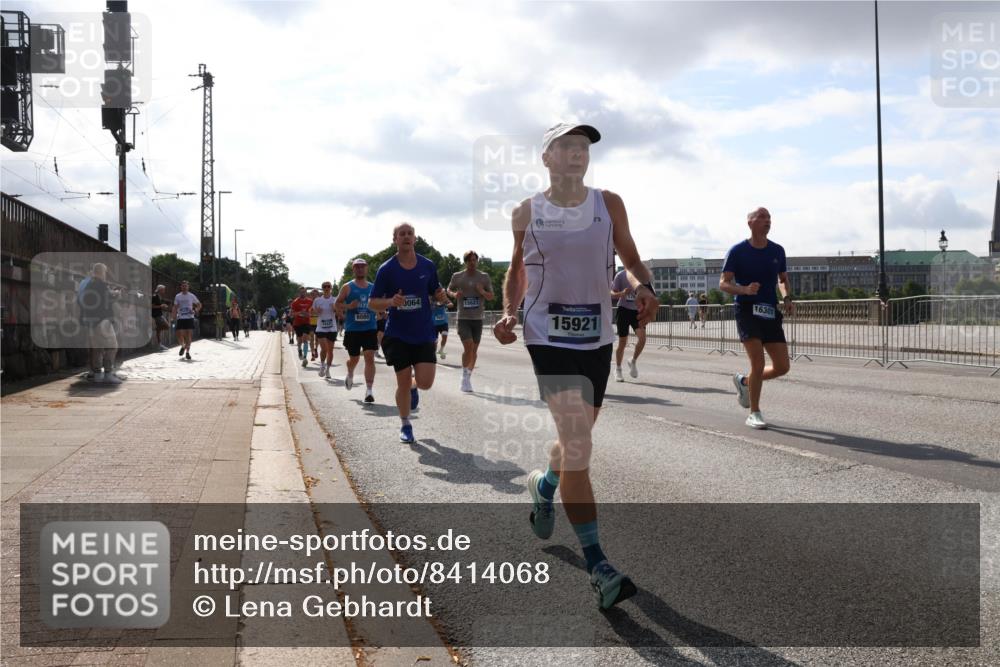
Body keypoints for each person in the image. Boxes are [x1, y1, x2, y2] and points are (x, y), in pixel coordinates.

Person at [493, 122, 657, 610]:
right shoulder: (528, 210)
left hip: (597, 336)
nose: (576, 153)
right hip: (546, 333)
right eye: (565, 146)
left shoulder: (609, 204)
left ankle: (543, 486)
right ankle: (599, 566)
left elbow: (628, 256)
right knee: (579, 444)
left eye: (582, 147)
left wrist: (644, 285)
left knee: (573, 442)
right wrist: (507, 311)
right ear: (546, 158)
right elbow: (517, 269)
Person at [369, 223, 448, 444]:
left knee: (425, 382)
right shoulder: (387, 269)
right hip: (398, 335)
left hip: (423, 332)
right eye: (401, 234)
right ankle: (405, 424)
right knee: (402, 382)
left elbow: (437, 292)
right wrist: (390, 301)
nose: (406, 237)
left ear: (415, 238)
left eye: (409, 233)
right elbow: (372, 303)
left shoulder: (427, 265)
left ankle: (415, 386)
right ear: (394, 239)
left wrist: (442, 296)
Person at [720, 206, 794, 430]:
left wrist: (787, 296)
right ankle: (754, 412)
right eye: (762, 217)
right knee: (758, 362)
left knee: (782, 367)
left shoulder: (777, 251)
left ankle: (745, 381)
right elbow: (724, 283)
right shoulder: (738, 251)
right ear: (750, 222)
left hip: (769, 311)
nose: (767, 220)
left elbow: (782, 279)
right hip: (746, 310)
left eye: (769, 217)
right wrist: (744, 290)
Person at [446, 250, 494, 392]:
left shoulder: (484, 277)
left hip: (477, 318)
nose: (472, 263)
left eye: (474, 260)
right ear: (465, 262)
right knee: (468, 346)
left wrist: (482, 292)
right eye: (469, 260)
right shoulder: (458, 276)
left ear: (477, 261)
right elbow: (448, 289)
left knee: (474, 350)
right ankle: (464, 378)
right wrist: (454, 294)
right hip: (463, 318)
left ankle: (468, 376)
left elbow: (491, 296)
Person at [336, 258, 378, 402]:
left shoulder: (373, 287)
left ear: (367, 269)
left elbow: (379, 303)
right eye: (357, 267)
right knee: (354, 359)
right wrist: (348, 307)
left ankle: (369, 390)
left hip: (370, 328)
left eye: (362, 266)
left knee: (369, 357)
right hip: (353, 329)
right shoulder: (347, 287)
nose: (360, 269)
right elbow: (337, 304)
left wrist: (380, 311)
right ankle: (350, 371)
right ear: (353, 270)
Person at [79, 263, 122, 384]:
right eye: (105, 272)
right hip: (103, 321)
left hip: (92, 321)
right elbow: (107, 300)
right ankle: (108, 373)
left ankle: (97, 374)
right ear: (101, 272)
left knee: (97, 348)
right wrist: (116, 294)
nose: (106, 274)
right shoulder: (101, 285)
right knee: (112, 347)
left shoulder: (89, 285)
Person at [610, 267, 647, 382]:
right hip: (624, 310)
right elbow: (612, 293)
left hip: (637, 311)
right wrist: (622, 293)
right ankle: (618, 369)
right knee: (622, 342)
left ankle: (633, 360)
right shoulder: (620, 275)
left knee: (642, 338)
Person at [311, 282, 339, 378]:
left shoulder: (335, 299)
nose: (326, 288)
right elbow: (312, 310)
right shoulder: (317, 300)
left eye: (328, 286)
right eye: (324, 287)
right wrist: (316, 311)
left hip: (332, 328)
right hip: (320, 327)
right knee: (324, 349)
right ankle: (322, 365)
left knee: (330, 351)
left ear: (331, 288)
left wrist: (335, 309)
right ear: (322, 288)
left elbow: (339, 312)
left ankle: (328, 370)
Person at [171, 280, 201, 361]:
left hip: (189, 317)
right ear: (181, 287)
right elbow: (175, 307)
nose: (184, 287)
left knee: (188, 335)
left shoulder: (191, 296)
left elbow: (199, 305)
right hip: (180, 317)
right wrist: (173, 317)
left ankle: (187, 352)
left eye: (186, 286)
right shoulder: (178, 296)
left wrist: (195, 310)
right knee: (178, 334)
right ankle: (183, 346)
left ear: (188, 287)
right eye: (183, 286)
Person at [290, 287, 314, 367]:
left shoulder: (310, 301)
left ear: (306, 293)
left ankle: (304, 358)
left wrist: (308, 314)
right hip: (297, 323)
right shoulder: (295, 302)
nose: (302, 293)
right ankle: (299, 349)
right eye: (301, 292)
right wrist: (300, 312)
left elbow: (313, 312)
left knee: (305, 339)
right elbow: (292, 314)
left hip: (306, 322)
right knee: (299, 340)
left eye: (304, 292)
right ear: (299, 293)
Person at [152, 284, 170, 351]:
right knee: (167, 326)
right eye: (163, 289)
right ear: (160, 290)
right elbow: (151, 306)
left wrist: (162, 306)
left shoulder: (158, 296)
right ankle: (157, 329)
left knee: (161, 329)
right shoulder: (155, 296)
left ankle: (159, 345)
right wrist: (161, 306)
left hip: (159, 314)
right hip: (157, 315)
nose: (164, 291)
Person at [308, 288, 321, 362]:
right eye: (312, 294)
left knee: (317, 339)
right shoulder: (309, 302)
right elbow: (308, 312)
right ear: (311, 295)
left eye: (315, 294)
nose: (314, 295)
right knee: (311, 338)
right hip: (310, 322)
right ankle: (312, 354)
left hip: (318, 322)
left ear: (318, 295)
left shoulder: (320, 302)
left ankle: (315, 349)